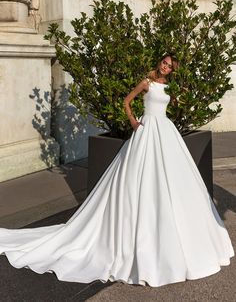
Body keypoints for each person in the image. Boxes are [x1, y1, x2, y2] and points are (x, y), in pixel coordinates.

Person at [0, 54, 234, 288]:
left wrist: (178, 98)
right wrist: (133, 122)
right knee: (137, 178)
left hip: (165, 132)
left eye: (170, 66)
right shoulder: (147, 82)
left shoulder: (168, 86)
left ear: (172, 70)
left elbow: (168, 104)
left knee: (171, 180)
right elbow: (127, 101)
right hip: (146, 131)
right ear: (159, 63)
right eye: (164, 63)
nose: (165, 67)